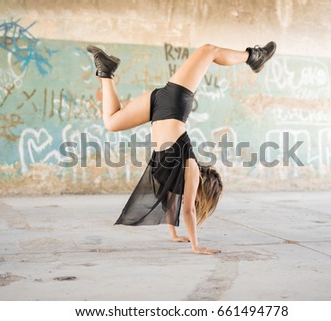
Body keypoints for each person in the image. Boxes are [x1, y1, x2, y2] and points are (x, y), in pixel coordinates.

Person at [87, 41, 276, 255]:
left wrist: (195, 246)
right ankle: (254, 56)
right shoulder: (169, 178)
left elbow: (187, 209)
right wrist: (174, 234)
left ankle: (255, 56)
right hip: (160, 109)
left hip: (171, 104)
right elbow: (172, 206)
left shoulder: (190, 169)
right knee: (111, 122)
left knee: (208, 50)